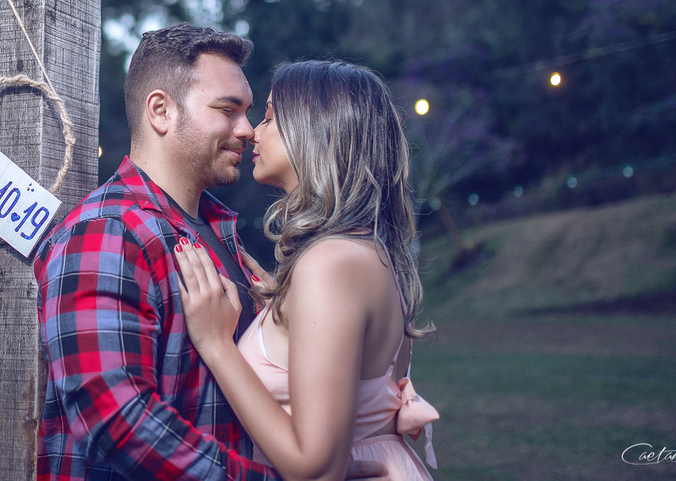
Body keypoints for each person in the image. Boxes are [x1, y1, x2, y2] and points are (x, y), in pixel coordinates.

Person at [34, 25, 388, 481]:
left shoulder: (219, 232)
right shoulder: (107, 232)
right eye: (227, 110)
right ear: (160, 111)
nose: (247, 130)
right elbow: (118, 421)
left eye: (249, 113)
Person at [173, 60, 439, 481]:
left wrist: (216, 344)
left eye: (270, 117)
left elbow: (317, 469)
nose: (253, 132)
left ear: (315, 130)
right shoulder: (361, 252)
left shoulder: (330, 263)